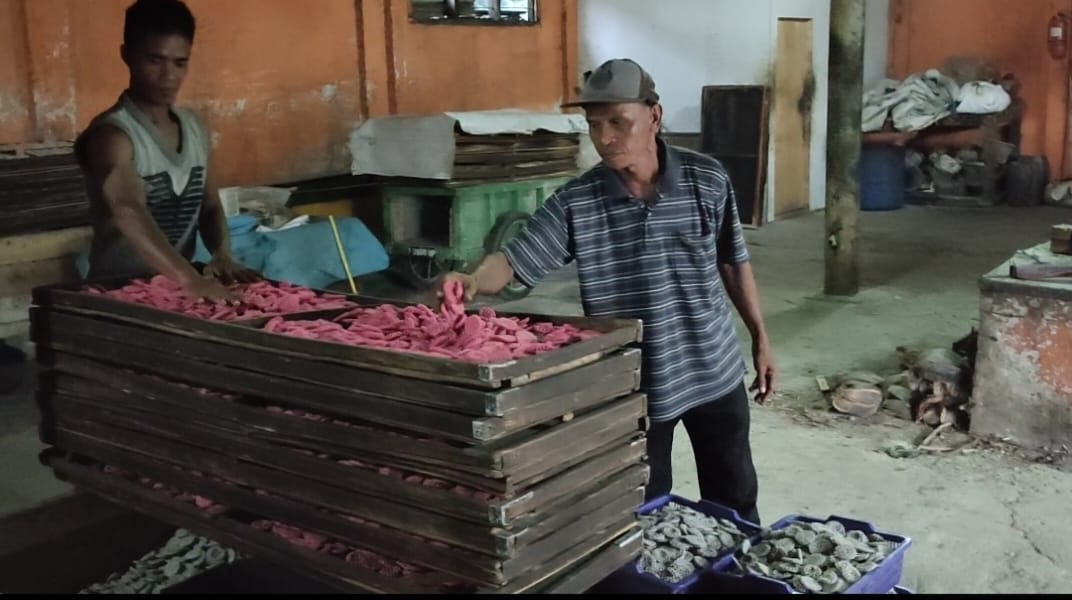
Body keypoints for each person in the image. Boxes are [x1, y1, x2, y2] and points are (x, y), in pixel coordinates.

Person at [441, 59, 775, 524]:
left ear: (654, 117)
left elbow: (733, 261)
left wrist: (760, 335)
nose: (605, 137)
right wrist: (473, 278)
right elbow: (515, 261)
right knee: (643, 503)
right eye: (594, 125)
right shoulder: (577, 202)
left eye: (619, 122)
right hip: (634, 381)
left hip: (712, 368)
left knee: (734, 496)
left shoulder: (707, 179)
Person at [74, 0, 257, 302]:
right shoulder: (113, 135)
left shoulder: (195, 129)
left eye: (180, 63)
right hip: (119, 295)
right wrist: (189, 279)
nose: (168, 76)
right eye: (155, 61)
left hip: (176, 294)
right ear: (127, 56)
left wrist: (222, 254)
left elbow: (209, 206)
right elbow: (127, 208)